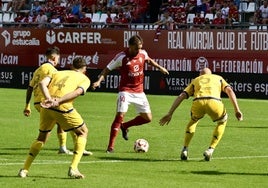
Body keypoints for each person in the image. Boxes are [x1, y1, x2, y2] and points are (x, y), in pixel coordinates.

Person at [92, 35, 169, 153]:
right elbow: (107, 69)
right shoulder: (121, 57)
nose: (138, 50)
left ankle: (125, 126)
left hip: (139, 91)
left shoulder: (143, 53)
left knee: (147, 118)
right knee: (120, 115)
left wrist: (160, 68)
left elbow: (149, 60)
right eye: (136, 48)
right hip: (125, 91)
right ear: (130, 46)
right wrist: (98, 81)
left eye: (140, 48)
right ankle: (110, 147)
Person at [18, 57, 91, 179]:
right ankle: (73, 168)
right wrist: (58, 101)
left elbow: (42, 84)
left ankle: (24, 169)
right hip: (62, 106)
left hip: (46, 106)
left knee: (41, 138)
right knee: (83, 132)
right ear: (84, 69)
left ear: (72, 66)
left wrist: (49, 99)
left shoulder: (57, 72)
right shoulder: (85, 78)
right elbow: (78, 92)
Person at [159, 68, 243, 161]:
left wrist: (170, 113)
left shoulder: (196, 80)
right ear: (211, 74)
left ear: (200, 75)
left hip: (198, 102)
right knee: (222, 121)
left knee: (193, 121)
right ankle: (210, 150)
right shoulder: (218, 78)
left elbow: (181, 96)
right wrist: (237, 109)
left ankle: (185, 149)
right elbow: (230, 91)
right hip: (214, 102)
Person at [23, 46, 92, 156]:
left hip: (38, 101)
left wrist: (27, 105)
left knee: (60, 123)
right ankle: (76, 147)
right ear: (53, 57)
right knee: (67, 121)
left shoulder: (39, 69)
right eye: (58, 59)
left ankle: (65, 147)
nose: (58, 61)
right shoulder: (52, 70)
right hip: (47, 100)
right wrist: (53, 99)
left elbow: (30, 87)